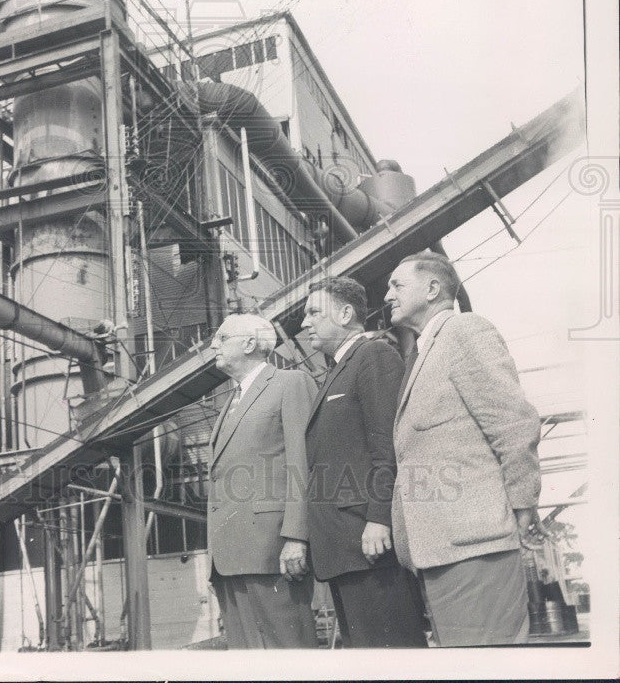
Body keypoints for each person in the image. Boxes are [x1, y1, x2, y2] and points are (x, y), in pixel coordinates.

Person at [385, 251, 544, 647]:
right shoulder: (424, 350)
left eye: (397, 285)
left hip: (477, 546)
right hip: (440, 551)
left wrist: (522, 503)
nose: (386, 295)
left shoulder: (465, 331)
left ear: (433, 288)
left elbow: (513, 421)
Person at [301, 276, 427, 647]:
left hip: (367, 542)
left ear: (345, 314)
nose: (304, 322)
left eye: (312, 312)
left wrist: (378, 518)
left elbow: (388, 446)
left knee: (391, 654)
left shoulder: (373, 355)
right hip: (345, 547)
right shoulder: (338, 368)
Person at [207, 312, 318, 648]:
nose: (213, 345)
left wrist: (297, 536)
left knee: (288, 654)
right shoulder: (230, 402)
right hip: (229, 557)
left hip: (272, 551)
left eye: (222, 338)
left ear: (251, 344)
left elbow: (304, 462)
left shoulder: (290, 383)